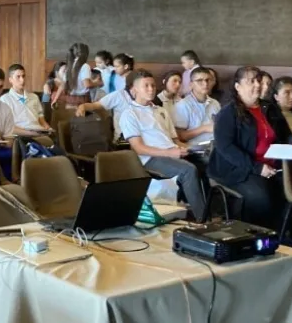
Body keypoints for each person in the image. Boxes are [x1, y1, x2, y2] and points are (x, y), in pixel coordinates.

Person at [208, 66, 292, 228]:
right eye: (251, 81)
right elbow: (226, 148)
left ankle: (286, 235)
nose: (257, 85)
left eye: (259, 80)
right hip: (238, 168)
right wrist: (257, 168)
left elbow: (285, 134)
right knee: (262, 198)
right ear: (237, 86)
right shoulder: (228, 113)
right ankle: (255, 237)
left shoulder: (269, 108)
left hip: (272, 165)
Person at [119, 70, 207, 220]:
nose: (151, 89)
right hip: (151, 159)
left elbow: (174, 140)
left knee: (207, 163)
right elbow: (138, 148)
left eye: (153, 85)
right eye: (145, 86)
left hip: (171, 153)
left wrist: (185, 148)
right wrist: (170, 153)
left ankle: (205, 211)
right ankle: (202, 220)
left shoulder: (160, 111)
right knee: (188, 170)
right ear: (134, 90)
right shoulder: (129, 114)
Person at [75, 53, 135, 139]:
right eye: (114, 66)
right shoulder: (114, 75)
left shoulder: (132, 79)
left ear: (126, 66)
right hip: (116, 102)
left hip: (125, 104)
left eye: (117, 66)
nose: (115, 68)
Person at [174, 66, 220, 147]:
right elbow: (180, 136)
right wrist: (204, 128)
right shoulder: (183, 105)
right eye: (199, 80)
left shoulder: (215, 103)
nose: (205, 84)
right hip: (197, 148)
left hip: (216, 144)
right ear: (191, 84)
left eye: (208, 80)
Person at [0, 64, 52, 134]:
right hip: (21, 134)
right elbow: (7, 126)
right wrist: (28, 133)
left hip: (39, 132)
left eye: (23, 76)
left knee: (51, 141)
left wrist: (48, 128)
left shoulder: (34, 97)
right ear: (10, 80)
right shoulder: (4, 100)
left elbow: (41, 120)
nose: (22, 80)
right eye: (18, 77)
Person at [63, 42, 94, 108]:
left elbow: (64, 84)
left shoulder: (69, 66)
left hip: (70, 99)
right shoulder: (85, 66)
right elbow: (87, 84)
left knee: (70, 118)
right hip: (82, 100)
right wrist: (96, 83)